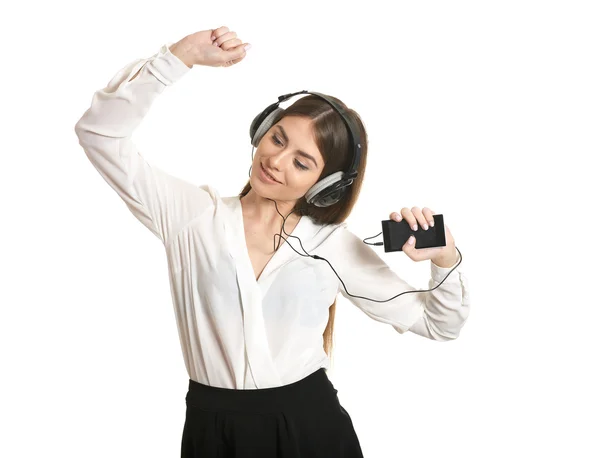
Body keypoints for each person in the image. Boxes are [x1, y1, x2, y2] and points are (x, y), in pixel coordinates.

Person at [74, 26, 470, 458]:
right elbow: (99, 134)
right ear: (262, 129)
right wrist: (180, 56)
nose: (275, 162)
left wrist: (444, 259)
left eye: (302, 162)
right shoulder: (191, 217)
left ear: (327, 186)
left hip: (311, 430)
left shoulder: (332, 246)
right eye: (277, 138)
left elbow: (439, 324)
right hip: (212, 430)